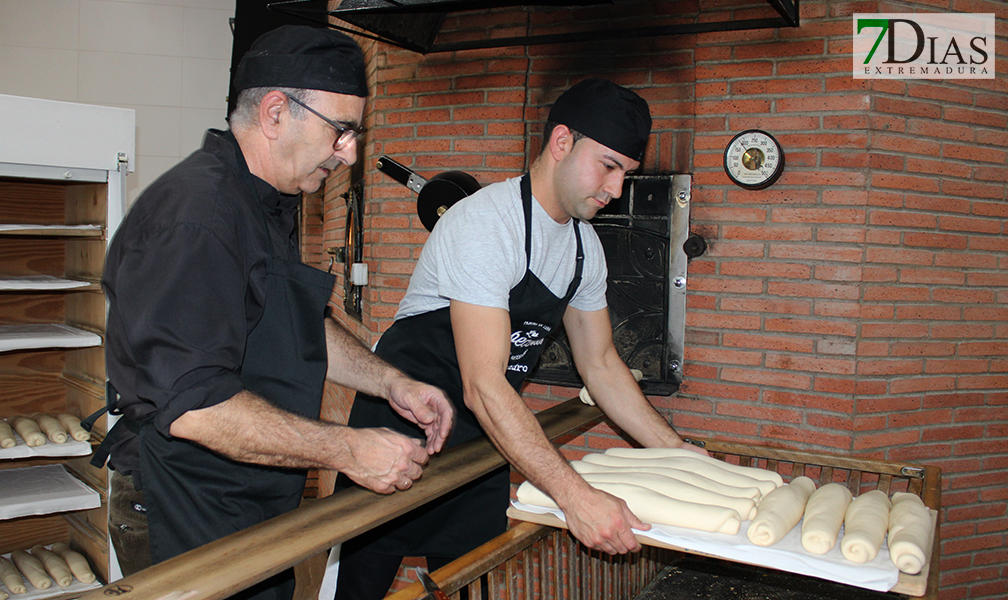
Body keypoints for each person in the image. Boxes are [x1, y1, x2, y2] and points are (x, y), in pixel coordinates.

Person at [96, 25, 454, 600]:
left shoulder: (266, 200)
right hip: (184, 502)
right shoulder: (199, 217)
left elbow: (293, 326)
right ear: (275, 112)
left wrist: (392, 383)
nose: (351, 154)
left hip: (244, 498)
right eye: (342, 132)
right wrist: (348, 449)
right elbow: (195, 408)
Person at [332, 78, 705, 599]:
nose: (617, 189)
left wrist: (678, 452)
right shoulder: (487, 224)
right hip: (396, 432)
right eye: (608, 165)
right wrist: (576, 497)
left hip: (483, 442)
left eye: (627, 173)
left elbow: (600, 365)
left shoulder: (583, 248)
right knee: (360, 585)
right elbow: (483, 384)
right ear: (560, 143)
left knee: (470, 582)